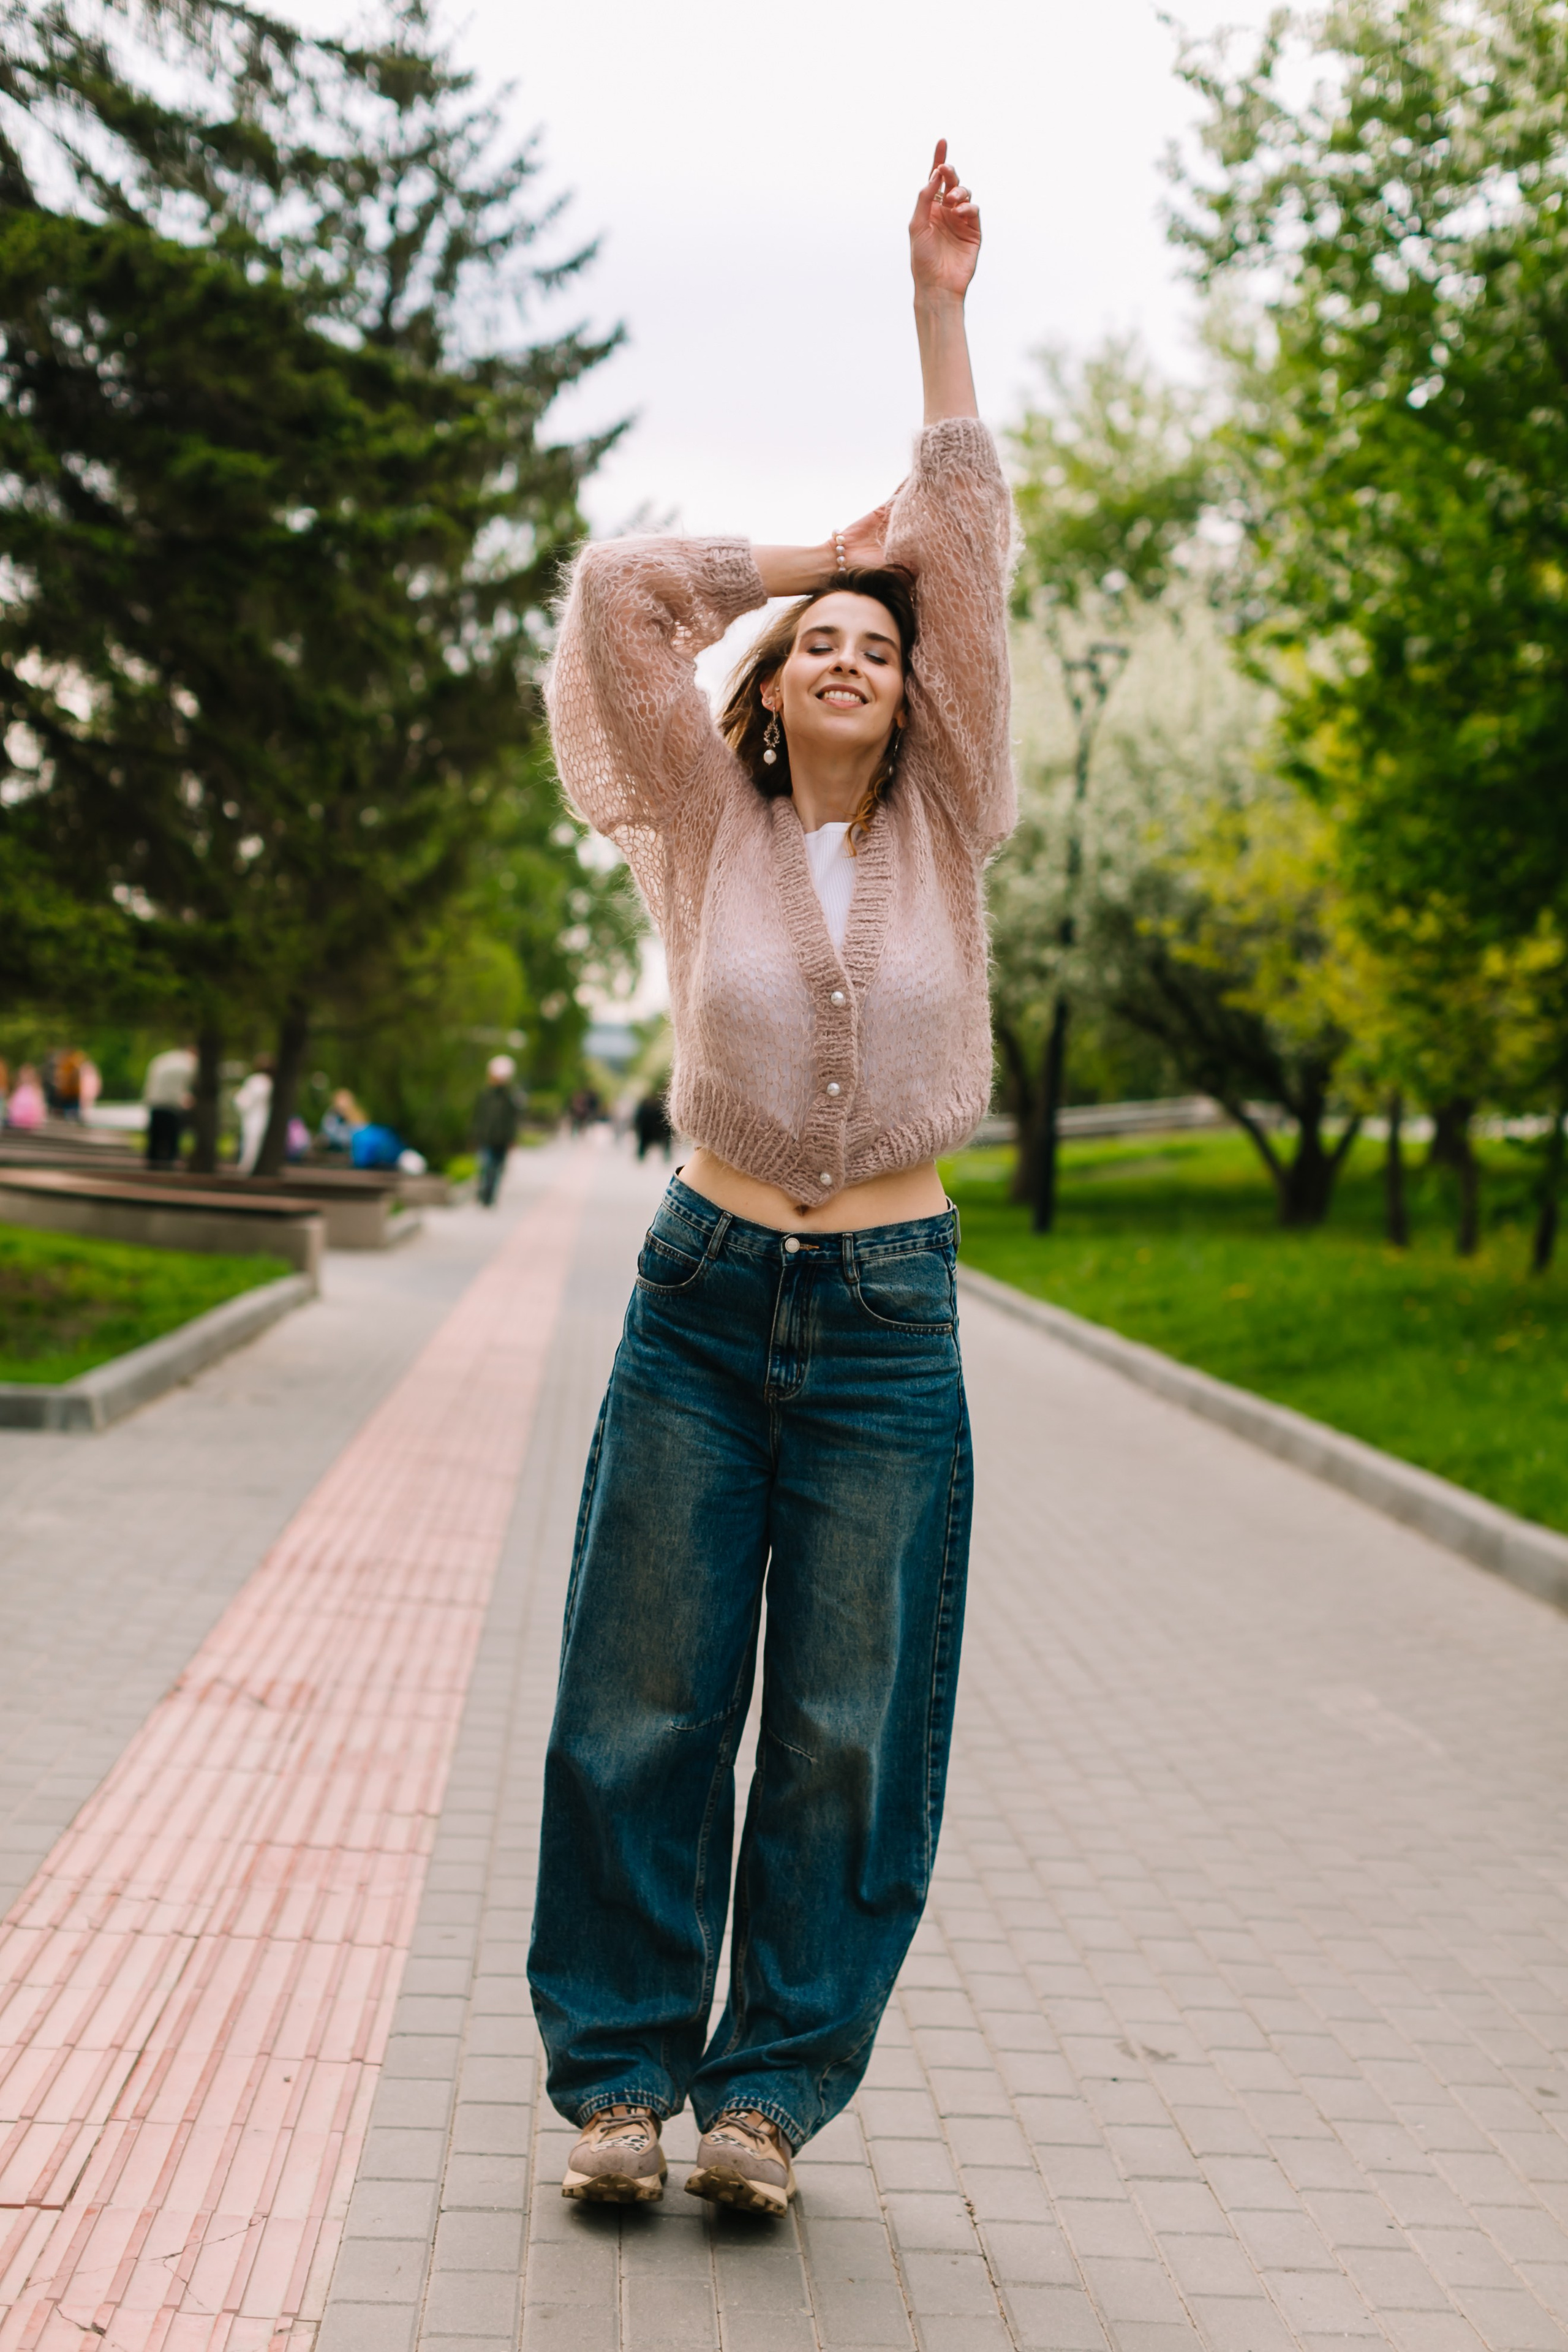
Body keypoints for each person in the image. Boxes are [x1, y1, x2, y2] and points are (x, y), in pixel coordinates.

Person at [527, 143, 1012, 2216]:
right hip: (703, 1293)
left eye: (874, 647)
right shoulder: (706, 820)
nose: (845, 655)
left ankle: (763, 2105)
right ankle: (622, 2093)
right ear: (772, 675)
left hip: (890, 1321)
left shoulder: (945, 821)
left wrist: (937, 315)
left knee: (839, 1727)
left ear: (913, 699)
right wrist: (801, 550)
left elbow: (968, 541)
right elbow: (616, 586)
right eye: (817, 639)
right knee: (641, 1699)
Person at [471, 1055, 521, 1207]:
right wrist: (475, 1134)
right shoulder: (485, 1094)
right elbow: (477, 1116)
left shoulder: (511, 1096)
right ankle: (483, 1193)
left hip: (502, 1139)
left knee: (497, 1169)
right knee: (486, 1166)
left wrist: (512, 1138)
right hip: (486, 1138)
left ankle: (490, 1195)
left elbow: (514, 1119)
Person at [142, 1046, 195, 1165]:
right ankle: (168, 1165)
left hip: (156, 1103)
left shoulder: (162, 1060)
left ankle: (153, 1166)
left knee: (155, 1140)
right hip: (173, 1107)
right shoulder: (189, 1065)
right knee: (171, 1141)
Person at [233, 1059, 273, 1174]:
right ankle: (247, 1168)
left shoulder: (255, 1081)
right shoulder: (267, 1082)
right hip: (259, 1115)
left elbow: (244, 1101)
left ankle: (246, 1168)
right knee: (253, 1142)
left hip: (253, 1116)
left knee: (250, 1142)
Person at [632, 1088, 674, 1162]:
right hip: (648, 1129)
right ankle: (642, 1155)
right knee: (644, 1143)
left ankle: (641, 1156)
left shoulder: (646, 1109)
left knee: (644, 1143)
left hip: (647, 1129)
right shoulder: (652, 1109)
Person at [6, 1064, 46, 1131]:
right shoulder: (19, 1088)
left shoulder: (35, 1089)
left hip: (30, 1121)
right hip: (18, 1120)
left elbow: (40, 1105)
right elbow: (12, 1103)